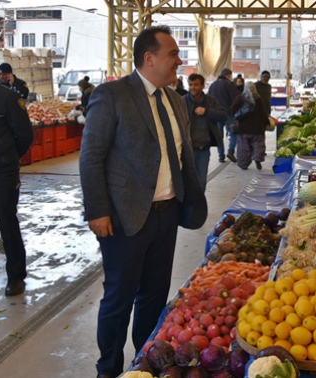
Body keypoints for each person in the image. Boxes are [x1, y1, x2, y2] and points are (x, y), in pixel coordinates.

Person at [78, 26, 207, 378]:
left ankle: (145, 363)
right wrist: (97, 210)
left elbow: (180, 158)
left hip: (167, 215)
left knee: (153, 296)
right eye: (172, 54)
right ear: (149, 59)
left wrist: (187, 201)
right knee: (119, 299)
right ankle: (108, 369)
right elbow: (91, 157)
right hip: (124, 218)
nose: (179, 61)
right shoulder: (113, 95)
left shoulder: (175, 100)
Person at [0, 52, 33, 296]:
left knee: (7, 225)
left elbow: (24, 136)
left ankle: (15, 277)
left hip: (0, 174)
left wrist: (6, 159)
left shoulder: (6, 98)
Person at [184, 73, 226, 193]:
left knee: (201, 181)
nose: (193, 87)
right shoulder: (182, 102)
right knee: (187, 182)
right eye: (191, 84)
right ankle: (188, 210)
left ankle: (198, 209)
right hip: (187, 150)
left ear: (202, 86)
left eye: (196, 84)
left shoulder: (210, 101)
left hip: (203, 149)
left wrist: (207, 111)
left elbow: (223, 116)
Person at [230, 81, 269, 170]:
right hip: (257, 128)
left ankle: (243, 164)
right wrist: (266, 123)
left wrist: (237, 116)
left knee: (243, 146)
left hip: (243, 128)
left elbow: (232, 109)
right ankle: (257, 158)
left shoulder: (240, 98)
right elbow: (263, 113)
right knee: (258, 144)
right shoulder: (258, 99)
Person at [208, 68, 240, 163]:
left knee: (219, 135)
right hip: (228, 114)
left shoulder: (213, 85)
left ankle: (221, 156)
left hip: (216, 114)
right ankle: (230, 151)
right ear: (228, 75)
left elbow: (208, 99)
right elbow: (235, 99)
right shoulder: (229, 85)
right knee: (233, 133)